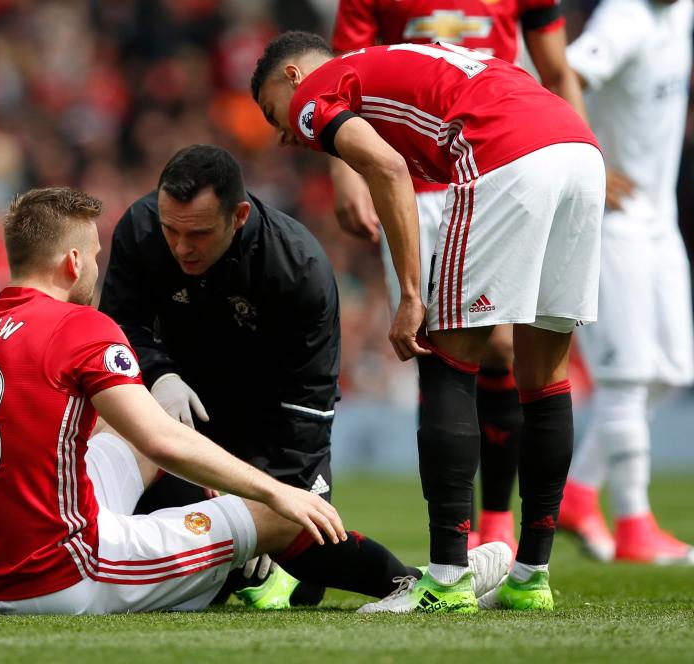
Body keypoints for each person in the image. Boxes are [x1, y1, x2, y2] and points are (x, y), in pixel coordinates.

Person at [0, 185, 510, 615]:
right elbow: (161, 440)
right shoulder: (80, 325)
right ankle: (412, 586)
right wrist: (273, 491)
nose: (98, 265)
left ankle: (232, 554)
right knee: (272, 511)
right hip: (64, 576)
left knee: (138, 424)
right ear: (72, 263)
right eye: (93, 253)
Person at [251, 33, 603, 612]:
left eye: (273, 112)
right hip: (578, 149)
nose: (285, 133)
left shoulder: (316, 91)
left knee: (443, 355)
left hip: (507, 155)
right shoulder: (402, 55)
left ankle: (444, 580)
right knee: (546, 377)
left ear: (291, 76)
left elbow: (387, 168)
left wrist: (411, 293)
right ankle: (530, 577)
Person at [328, 0, 589, 553]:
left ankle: (495, 519)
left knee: (499, 346)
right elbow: (340, 75)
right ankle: (459, 529)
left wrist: (579, 145)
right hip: (414, 178)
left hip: (502, 157)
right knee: (438, 343)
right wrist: (347, 172)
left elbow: (558, 69)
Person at [98, 144, 340, 608]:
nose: (182, 247)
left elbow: (308, 404)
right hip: (186, 415)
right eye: (171, 230)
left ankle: (438, 576)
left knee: (305, 581)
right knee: (160, 548)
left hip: (272, 425)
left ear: (240, 215)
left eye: (199, 234)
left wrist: (263, 506)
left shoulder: (297, 268)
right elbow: (118, 327)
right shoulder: (141, 227)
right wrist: (160, 375)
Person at [557, 0, 694, 565]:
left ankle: (578, 493)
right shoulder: (624, 20)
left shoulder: (680, 12)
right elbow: (560, 76)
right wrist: (587, 156)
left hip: (659, 220)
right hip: (612, 224)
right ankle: (635, 524)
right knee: (626, 378)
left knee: (671, 372)